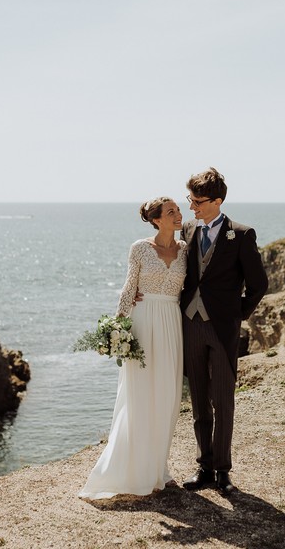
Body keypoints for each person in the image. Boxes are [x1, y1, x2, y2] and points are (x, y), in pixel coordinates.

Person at [79, 197, 186, 499]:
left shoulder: (186, 250)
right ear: (156, 220)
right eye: (171, 212)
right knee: (139, 395)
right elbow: (129, 288)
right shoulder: (139, 248)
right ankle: (133, 470)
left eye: (178, 210)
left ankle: (156, 468)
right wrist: (116, 327)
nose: (178, 215)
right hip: (142, 323)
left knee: (167, 394)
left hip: (171, 322)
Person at [179, 167, 268, 496]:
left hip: (223, 328)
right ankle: (203, 465)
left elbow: (259, 284)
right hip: (190, 324)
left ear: (217, 201)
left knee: (223, 400)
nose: (192, 207)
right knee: (199, 399)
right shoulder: (186, 229)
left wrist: (237, 315)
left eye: (197, 201)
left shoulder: (242, 234)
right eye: (190, 199)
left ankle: (223, 471)